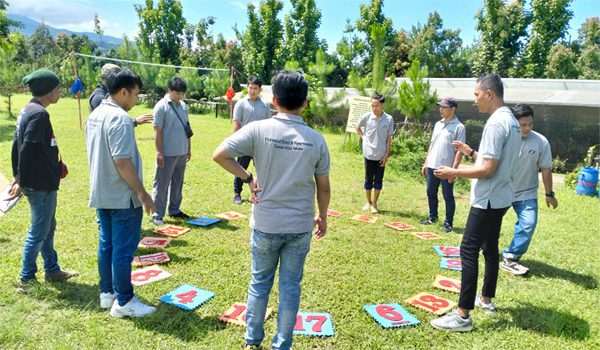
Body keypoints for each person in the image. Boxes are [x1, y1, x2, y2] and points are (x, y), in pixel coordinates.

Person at [212, 71, 330, 350]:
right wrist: (322, 215)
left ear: (274, 100)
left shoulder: (259, 129)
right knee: (290, 287)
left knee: (259, 283)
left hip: (265, 223)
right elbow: (323, 187)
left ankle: (252, 341)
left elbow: (219, 155)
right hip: (300, 226)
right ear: (305, 103)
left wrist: (247, 177)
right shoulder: (316, 139)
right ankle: (282, 344)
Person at [430, 74, 521, 332]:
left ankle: (462, 315)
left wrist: (454, 172)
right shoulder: (512, 121)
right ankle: (487, 300)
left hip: (488, 198)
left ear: (490, 94)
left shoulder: (495, 123)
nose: (475, 100)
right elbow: (494, 160)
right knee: (490, 248)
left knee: (468, 250)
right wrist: (470, 152)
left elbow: (488, 169)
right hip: (502, 196)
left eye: (476, 94)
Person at [86, 68, 157, 318]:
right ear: (124, 91)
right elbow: (122, 161)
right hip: (121, 195)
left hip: (102, 191)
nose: (136, 100)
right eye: (136, 94)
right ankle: (124, 301)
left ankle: (108, 293)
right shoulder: (119, 118)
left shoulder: (96, 114)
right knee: (123, 250)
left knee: (107, 244)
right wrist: (143, 193)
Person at [9, 69, 78, 292]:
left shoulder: (28, 109)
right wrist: (20, 179)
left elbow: (16, 145)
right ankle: (26, 277)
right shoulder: (39, 114)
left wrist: (17, 175)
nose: (60, 91)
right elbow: (26, 148)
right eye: (57, 88)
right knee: (39, 229)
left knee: (48, 226)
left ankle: (52, 269)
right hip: (38, 183)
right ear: (48, 91)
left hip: (42, 180)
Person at [500, 104, 558, 275]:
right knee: (488, 223)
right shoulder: (504, 138)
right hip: (502, 190)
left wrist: (549, 194)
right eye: (523, 124)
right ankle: (481, 246)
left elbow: (546, 168)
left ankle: (511, 257)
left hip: (526, 193)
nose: (527, 128)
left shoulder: (541, 141)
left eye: (530, 124)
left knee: (528, 224)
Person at [151, 77, 193, 226]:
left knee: (178, 183)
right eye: (177, 93)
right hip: (167, 153)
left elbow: (187, 128)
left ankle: (175, 209)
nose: (180, 96)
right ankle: (157, 214)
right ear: (169, 91)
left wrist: (189, 148)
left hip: (181, 151)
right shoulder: (161, 107)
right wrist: (159, 152)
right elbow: (158, 131)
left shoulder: (183, 106)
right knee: (162, 184)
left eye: (182, 93)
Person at [420, 97, 466, 232]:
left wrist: (454, 170)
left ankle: (448, 223)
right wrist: (426, 162)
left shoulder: (459, 127)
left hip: (446, 168)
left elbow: (460, 151)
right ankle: (432, 217)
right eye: (440, 107)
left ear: (453, 109)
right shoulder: (438, 124)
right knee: (430, 192)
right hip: (432, 164)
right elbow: (432, 144)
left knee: (447, 195)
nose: (440, 109)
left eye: (444, 107)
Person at [231, 76, 271, 204]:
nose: (252, 90)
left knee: (262, 169)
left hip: (260, 143)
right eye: (250, 88)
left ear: (260, 90)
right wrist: (236, 142)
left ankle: (258, 194)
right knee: (240, 168)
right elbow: (236, 123)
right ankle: (237, 193)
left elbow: (268, 124)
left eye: (255, 88)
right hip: (245, 142)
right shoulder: (241, 103)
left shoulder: (265, 105)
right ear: (247, 88)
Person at [356, 93, 394, 214]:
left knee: (378, 180)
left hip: (381, 155)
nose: (374, 108)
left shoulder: (388, 119)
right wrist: (364, 138)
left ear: (382, 105)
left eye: (376, 105)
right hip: (368, 154)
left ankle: (375, 203)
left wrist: (386, 155)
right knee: (368, 179)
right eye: (372, 105)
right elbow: (357, 127)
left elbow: (389, 139)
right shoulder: (367, 117)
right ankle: (368, 202)